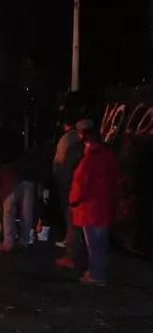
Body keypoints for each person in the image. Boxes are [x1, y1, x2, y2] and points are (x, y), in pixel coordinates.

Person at [56, 120, 120, 286]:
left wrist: (73, 200)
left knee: (94, 244)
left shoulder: (90, 159)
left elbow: (81, 184)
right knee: (100, 243)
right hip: (104, 205)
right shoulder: (108, 155)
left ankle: (96, 275)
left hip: (91, 208)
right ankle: (95, 271)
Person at [0, 152, 38, 252]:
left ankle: (8, 243)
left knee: (8, 212)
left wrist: (1, 197)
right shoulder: (21, 160)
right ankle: (24, 242)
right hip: (28, 178)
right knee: (27, 212)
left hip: (11, 182)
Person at [52, 117, 84, 249]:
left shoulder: (66, 139)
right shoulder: (80, 140)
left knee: (69, 210)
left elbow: (60, 161)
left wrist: (57, 175)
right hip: (75, 179)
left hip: (67, 179)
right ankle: (77, 237)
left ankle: (71, 240)